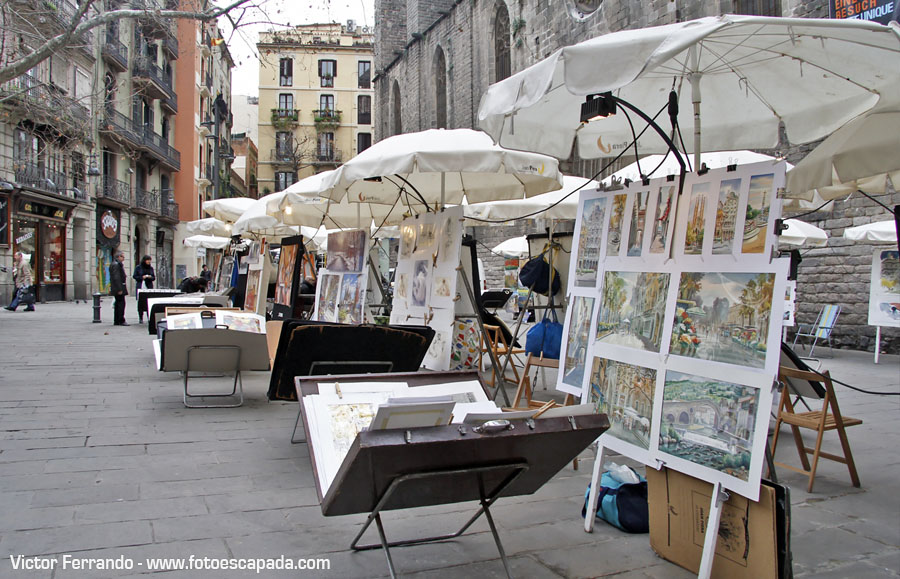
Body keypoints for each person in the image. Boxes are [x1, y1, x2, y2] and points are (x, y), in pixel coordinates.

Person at [132, 255, 155, 323]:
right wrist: (142, 277)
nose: (149, 261)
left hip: (149, 286)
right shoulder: (138, 267)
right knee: (140, 302)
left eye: (149, 260)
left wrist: (150, 277)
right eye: (147, 260)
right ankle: (140, 317)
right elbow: (135, 276)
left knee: (149, 301)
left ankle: (149, 317)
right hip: (141, 286)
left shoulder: (151, 268)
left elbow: (154, 277)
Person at [109, 251, 129, 326]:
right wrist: (119, 289)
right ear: (119, 257)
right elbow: (116, 277)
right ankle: (121, 320)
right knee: (121, 303)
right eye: (122, 257)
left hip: (118, 286)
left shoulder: (116, 264)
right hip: (119, 287)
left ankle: (117, 320)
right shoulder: (116, 265)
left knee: (118, 303)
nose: (124, 258)